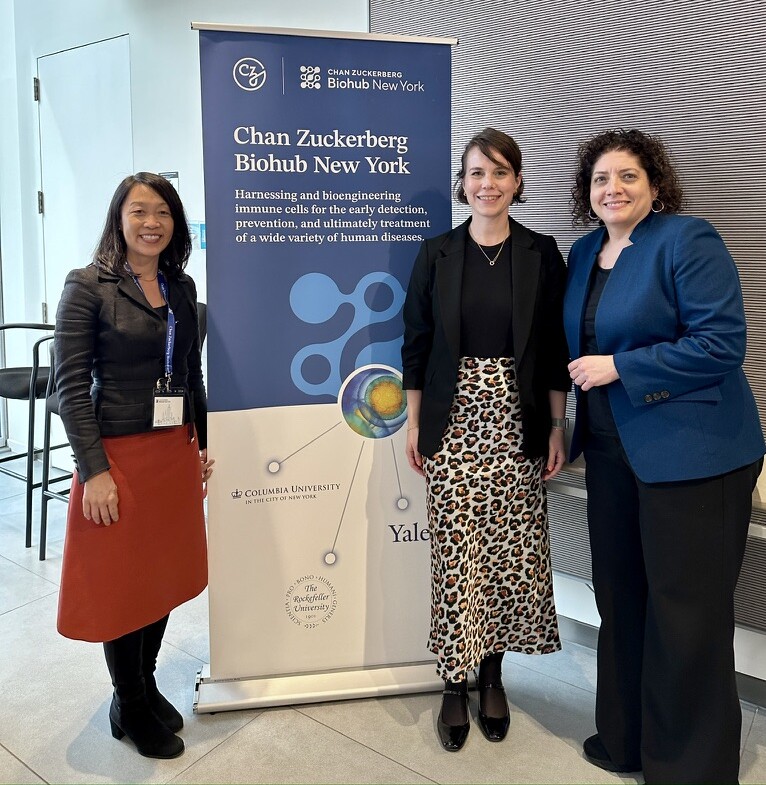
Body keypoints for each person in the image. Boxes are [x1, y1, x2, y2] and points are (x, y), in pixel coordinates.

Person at [564, 128, 765, 784]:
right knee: (620, 598)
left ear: (655, 185)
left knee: (686, 612)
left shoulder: (686, 239)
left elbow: (720, 344)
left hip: (695, 454)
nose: (613, 189)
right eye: (601, 178)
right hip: (611, 451)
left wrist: (621, 366)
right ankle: (627, 740)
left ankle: (690, 769)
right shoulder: (584, 251)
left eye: (628, 176)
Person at [401, 127, 570, 752]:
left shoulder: (540, 253)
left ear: (517, 182)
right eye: (477, 172)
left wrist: (556, 426)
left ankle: (493, 677)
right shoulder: (437, 254)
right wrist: (414, 423)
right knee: (456, 557)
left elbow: (554, 349)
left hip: (518, 421)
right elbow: (415, 345)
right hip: (452, 419)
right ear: (463, 182)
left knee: (507, 556)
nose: (488, 184)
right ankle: (454, 681)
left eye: (500, 172)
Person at [54, 172, 213, 760]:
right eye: (139, 211)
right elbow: (70, 387)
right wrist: (93, 470)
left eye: (163, 212)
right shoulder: (87, 286)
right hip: (117, 457)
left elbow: (191, 375)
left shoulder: (181, 286)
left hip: (172, 455)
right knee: (125, 585)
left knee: (161, 577)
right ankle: (129, 700)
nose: (152, 223)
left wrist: (201, 444)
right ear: (119, 220)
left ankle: (142, 686)